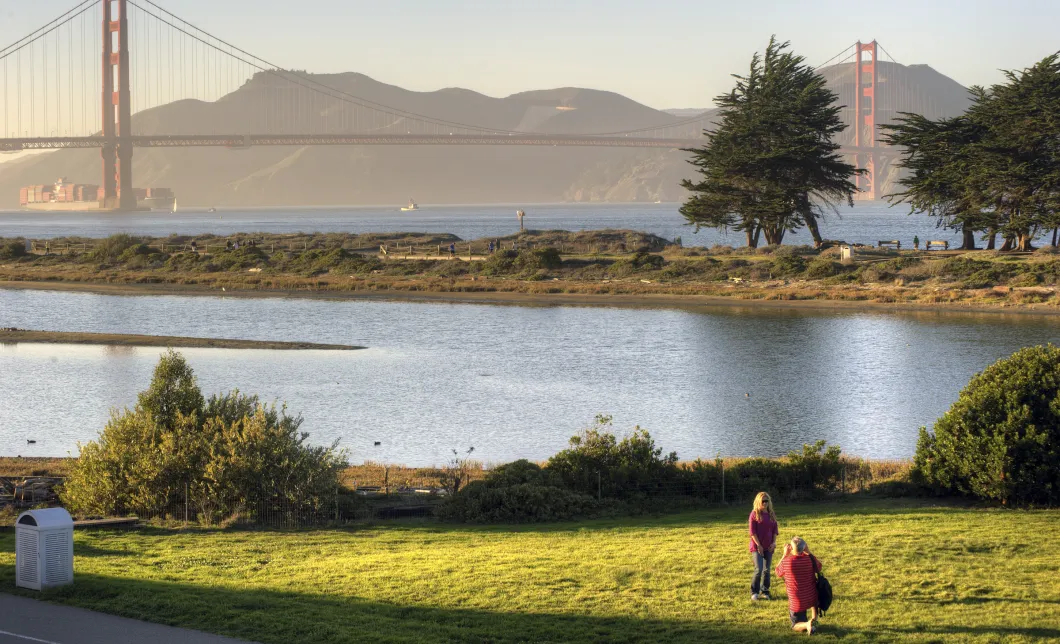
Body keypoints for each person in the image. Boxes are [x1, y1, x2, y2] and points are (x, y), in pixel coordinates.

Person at [775, 536, 823, 635]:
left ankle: (807, 625)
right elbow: (819, 567)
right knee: (814, 604)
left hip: (797, 599)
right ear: (804, 547)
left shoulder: (787, 562)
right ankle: (814, 621)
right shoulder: (809, 560)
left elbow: (778, 571)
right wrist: (809, 552)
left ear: (791, 549)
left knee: (795, 625)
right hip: (811, 595)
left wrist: (784, 555)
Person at [749, 492, 779, 600]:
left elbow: (775, 530)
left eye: (767, 501)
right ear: (758, 502)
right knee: (759, 569)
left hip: (769, 546)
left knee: (766, 570)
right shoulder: (754, 514)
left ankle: (765, 591)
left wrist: (774, 543)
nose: (765, 503)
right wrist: (759, 545)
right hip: (757, 546)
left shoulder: (771, 514)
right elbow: (752, 532)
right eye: (763, 501)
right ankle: (754, 592)